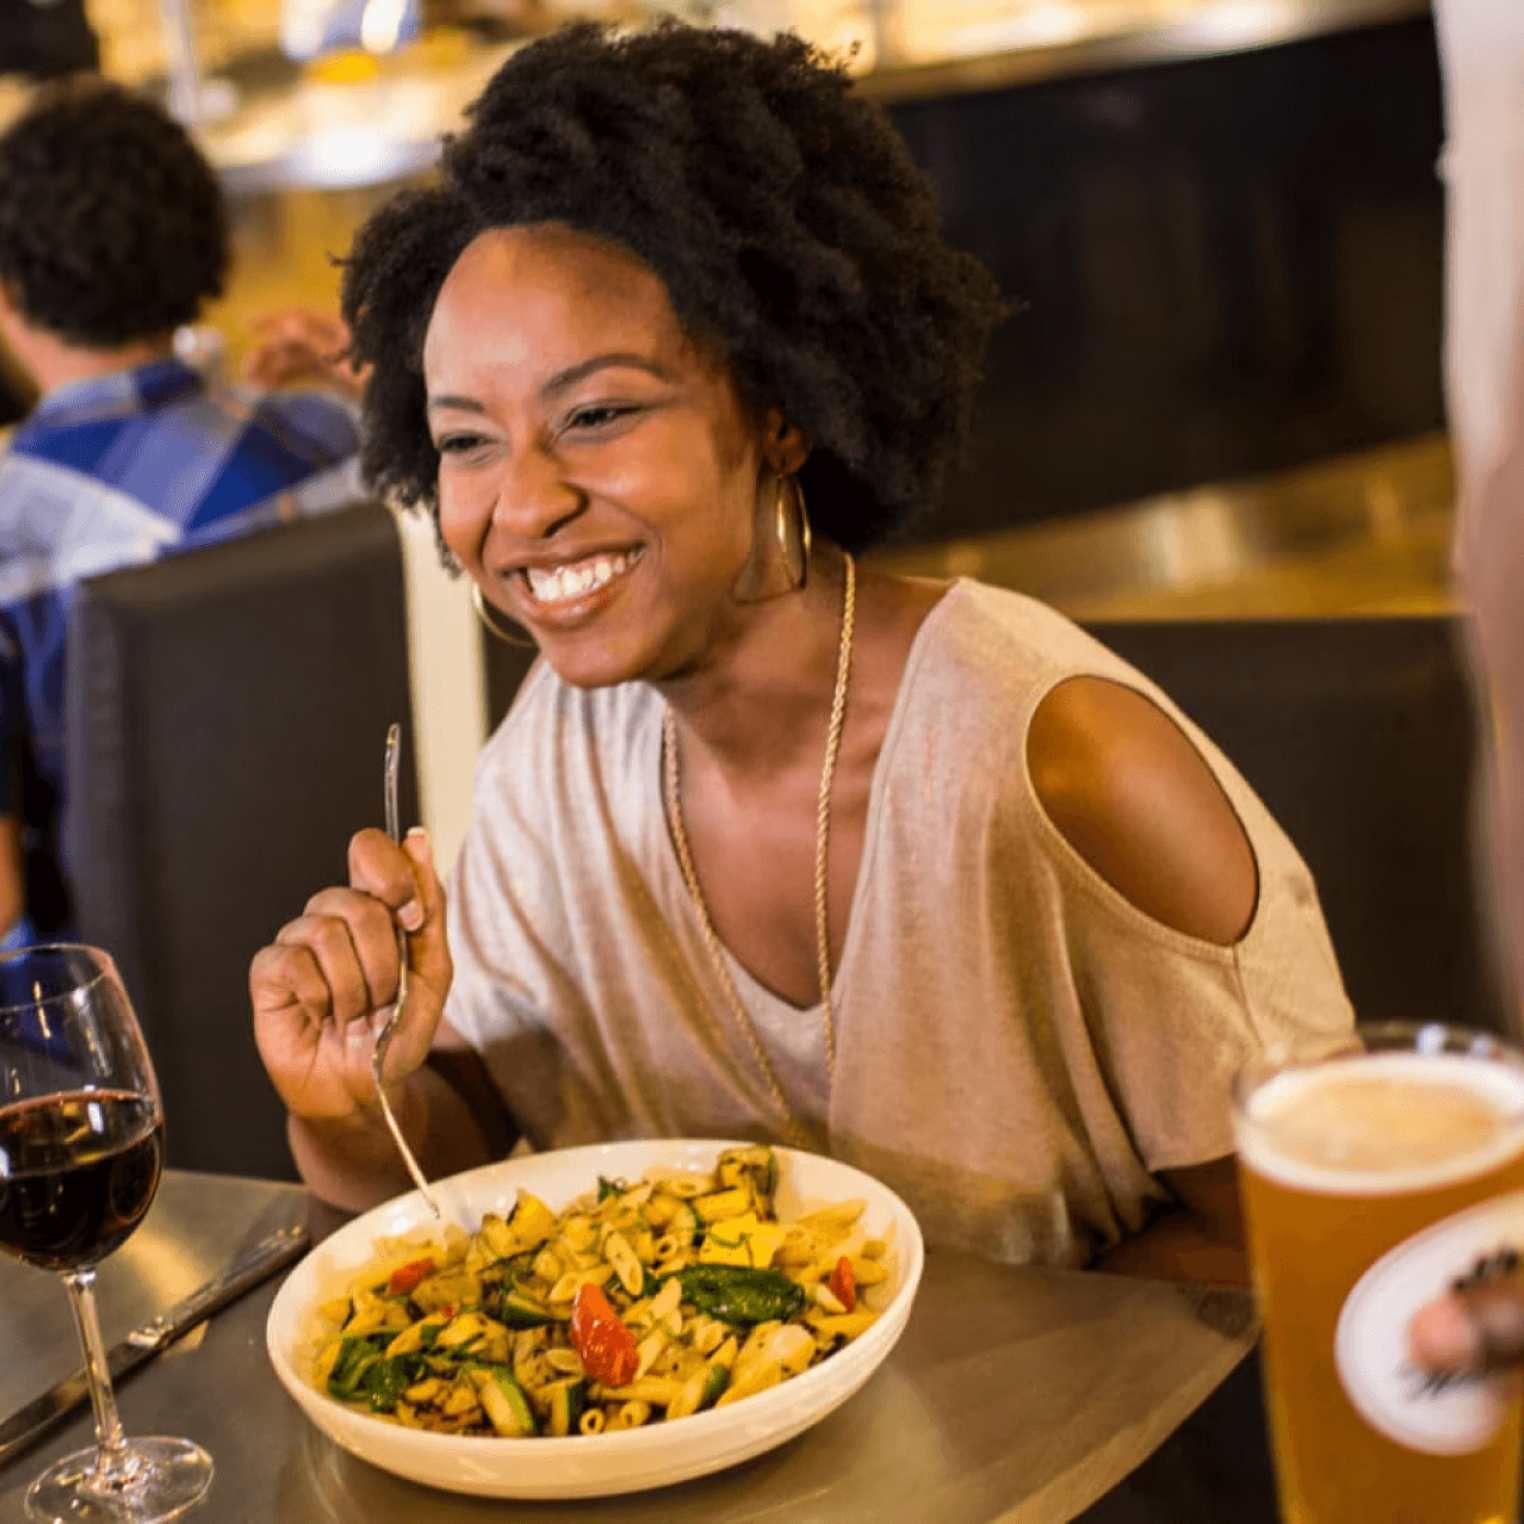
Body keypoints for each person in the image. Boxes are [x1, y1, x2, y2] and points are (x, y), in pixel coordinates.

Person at [249, 21, 1353, 1279]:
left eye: (597, 415)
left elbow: (1301, 1225)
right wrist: (344, 1098)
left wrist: (916, 1382)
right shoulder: (553, 761)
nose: (522, 503)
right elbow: (453, 1154)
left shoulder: (1052, 763)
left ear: (780, 413)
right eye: (466, 442)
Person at [0, 80, 362, 950]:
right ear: (207, 257)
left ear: (8, 290)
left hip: (122, 1020)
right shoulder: (333, 437)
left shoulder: (12, 537)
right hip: (364, 943)